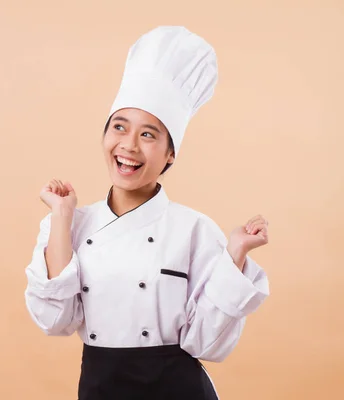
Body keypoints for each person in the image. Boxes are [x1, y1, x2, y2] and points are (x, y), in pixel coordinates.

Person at [23, 26, 270, 400]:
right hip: (100, 388)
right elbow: (55, 320)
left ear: (171, 153)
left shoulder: (195, 230)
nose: (129, 146)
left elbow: (207, 344)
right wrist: (61, 216)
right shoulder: (72, 223)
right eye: (119, 128)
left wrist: (235, 253)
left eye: (149, 135)